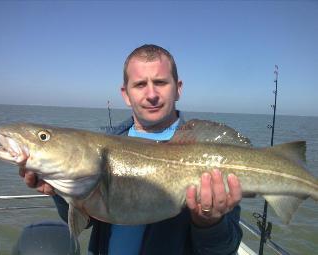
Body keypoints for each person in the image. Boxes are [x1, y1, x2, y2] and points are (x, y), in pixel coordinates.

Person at [20, 44, 243, 254]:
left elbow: (225, 249)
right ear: (125, 93)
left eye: (161, 82)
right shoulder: (101, 146)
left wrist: (209, 222)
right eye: (140, 84)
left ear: (178, 89)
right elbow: (86, 221)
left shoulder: (211, 154)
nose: (152, 94)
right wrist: (61, 192)